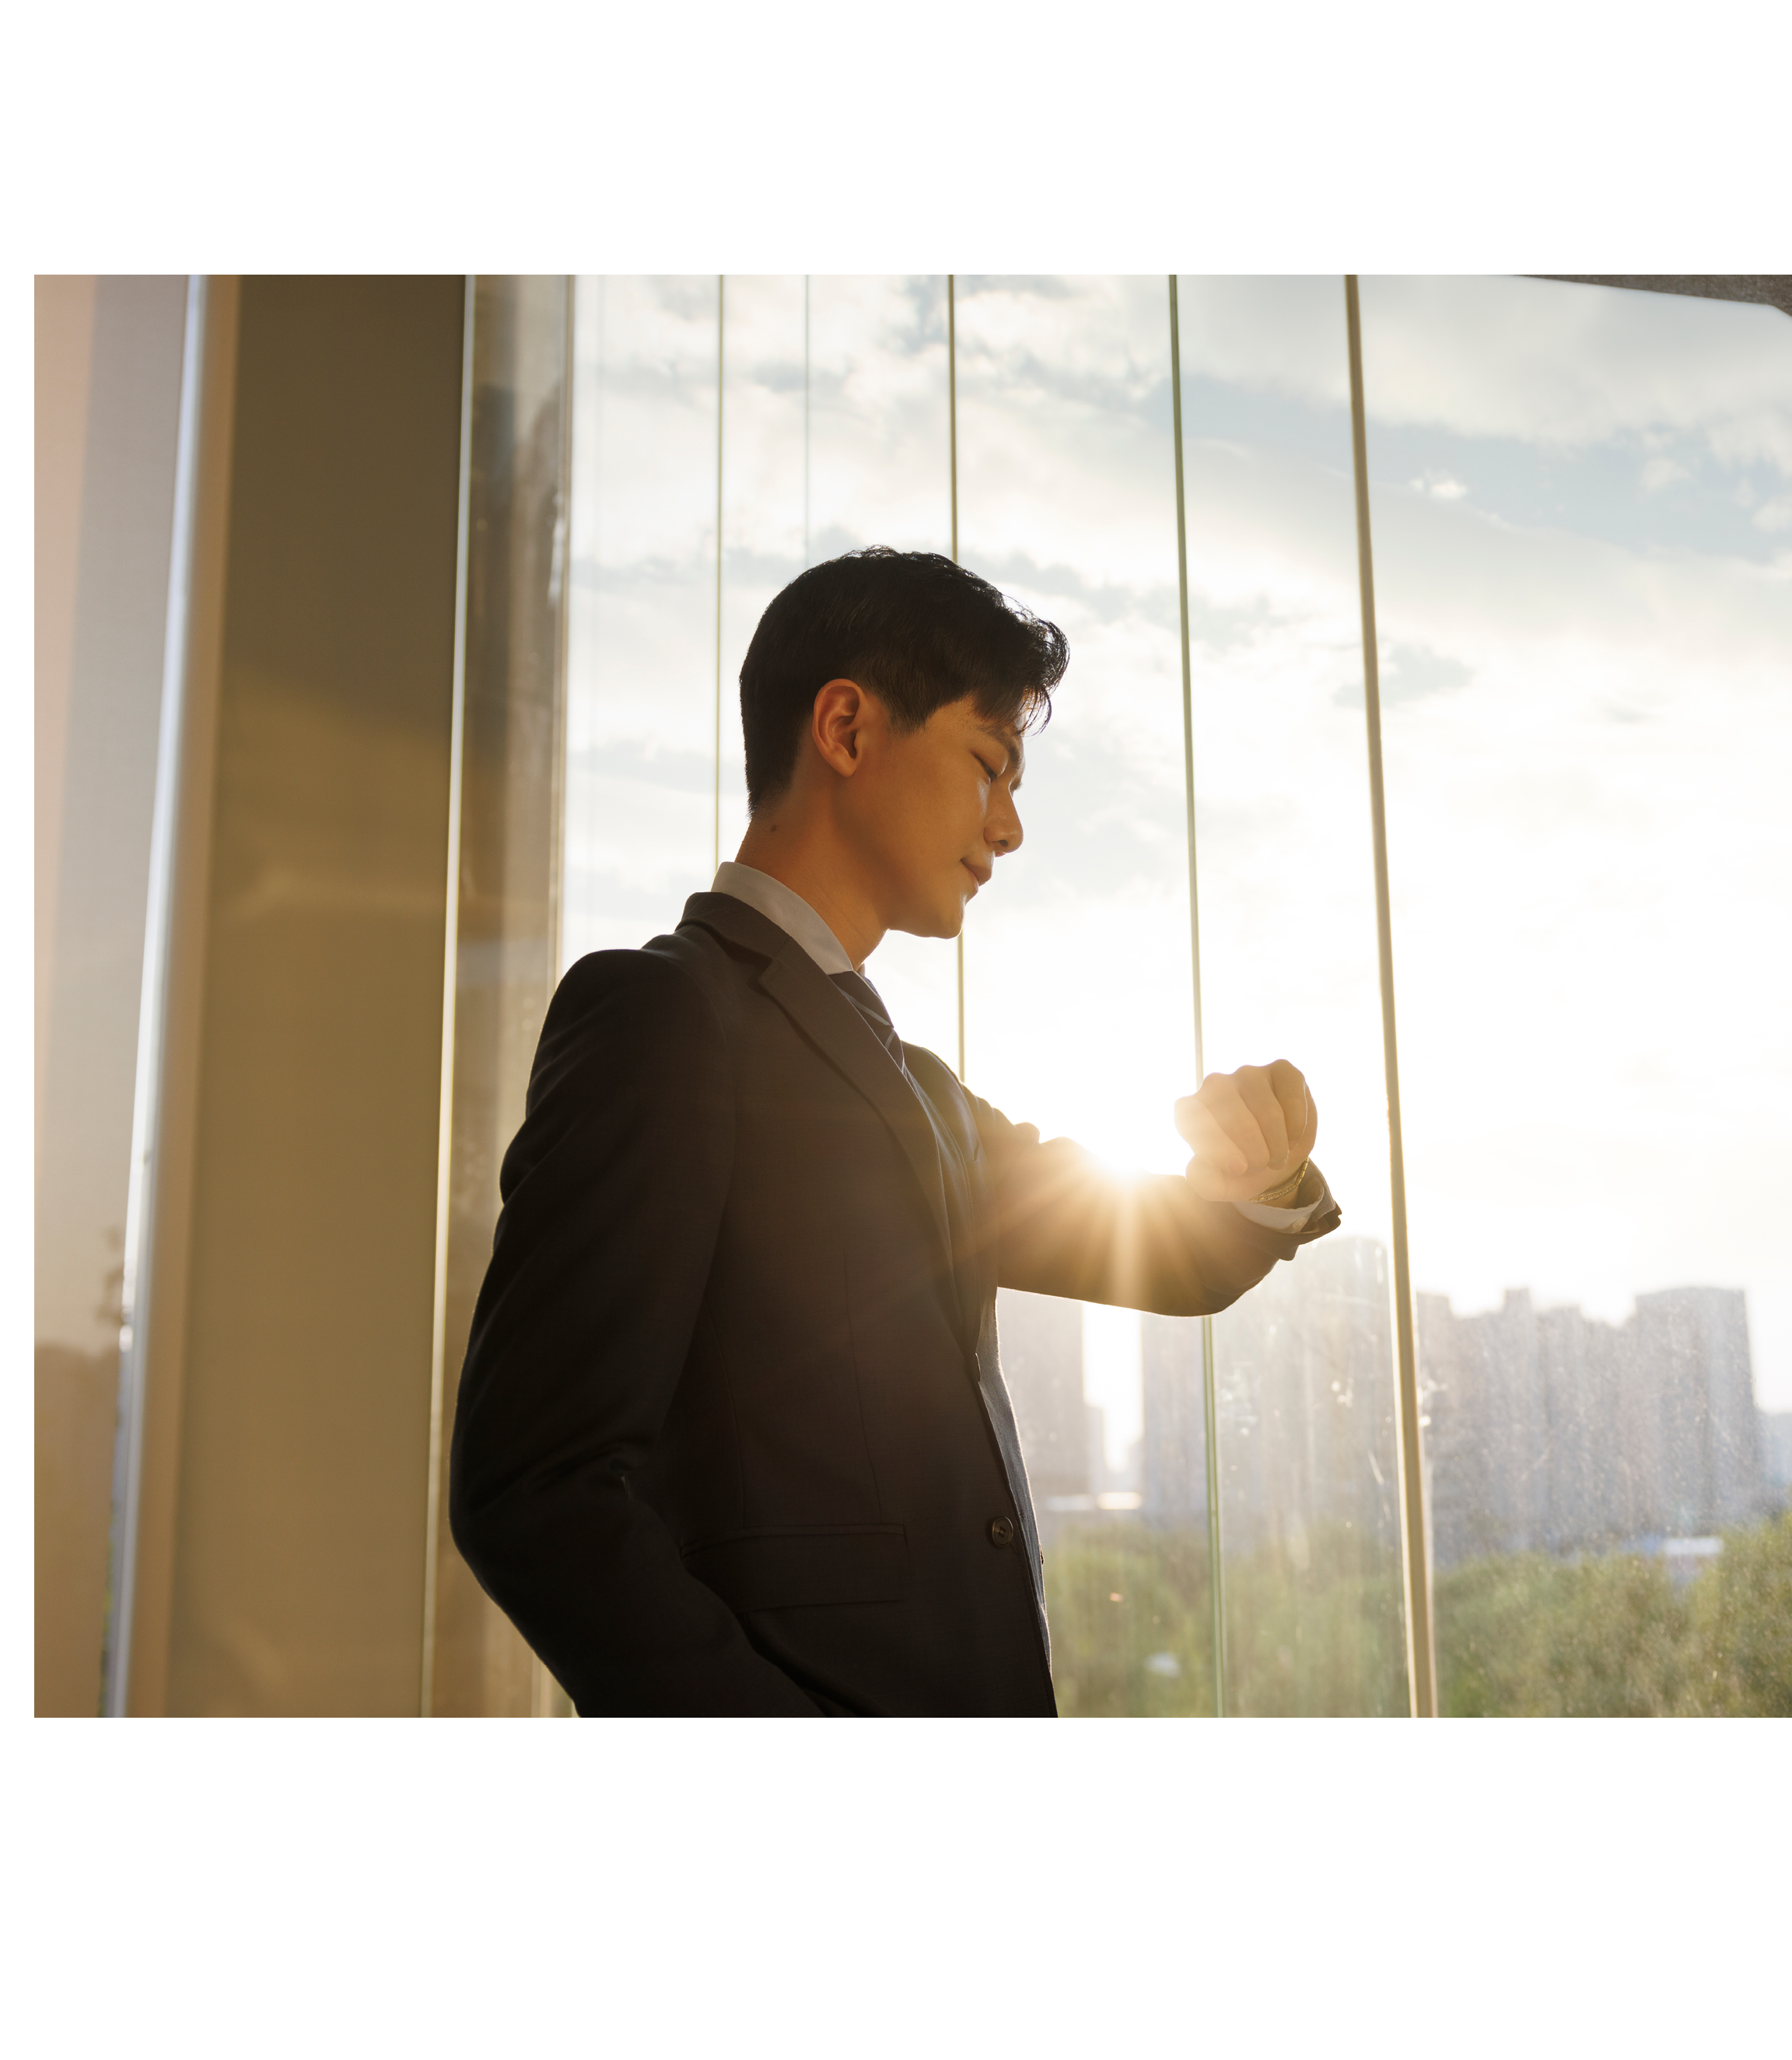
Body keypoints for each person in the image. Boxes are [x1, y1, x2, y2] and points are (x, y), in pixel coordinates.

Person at [449, 548, 1340, 1715]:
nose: (1009, 828)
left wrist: (1261, 1168)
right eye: (988, 765)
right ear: (847, 727)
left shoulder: (920, 1089)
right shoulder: (663, 1016)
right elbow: (534, 1488)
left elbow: (1166, 1251)